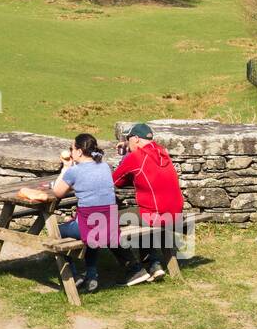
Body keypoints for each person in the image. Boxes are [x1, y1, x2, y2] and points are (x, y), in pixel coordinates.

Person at [42, 133, 118, 293]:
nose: (70, 152)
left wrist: (66, 167)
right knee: (92, 229)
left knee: (59, 232)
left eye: (72, 148)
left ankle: (74, 276)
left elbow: (57, 192)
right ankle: (92, 274)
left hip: (91, 227)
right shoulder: (105, 166)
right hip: (110, 225)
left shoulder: (74, 171)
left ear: (79, 152)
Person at [111, 122, 185, 285]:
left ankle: (134, 269)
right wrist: (128, 148)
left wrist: (126, 156)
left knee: (108, 220)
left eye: (128, 139)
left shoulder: (136, 157)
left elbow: (115, 180)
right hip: (176, 212)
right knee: (141, 213)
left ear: (136, 139)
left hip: (158, 215)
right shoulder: (162, 151)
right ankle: (154, 264)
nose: (127, 142)